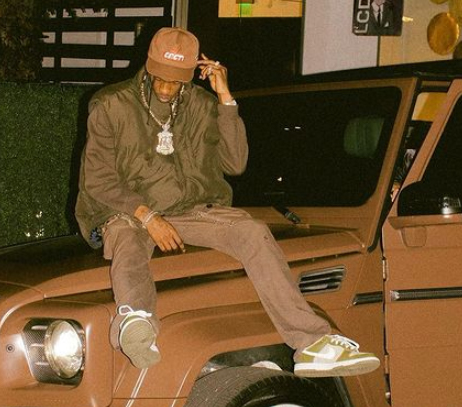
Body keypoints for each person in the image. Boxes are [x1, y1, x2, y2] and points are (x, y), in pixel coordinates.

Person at [75, 26, 380, 377]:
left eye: (175, 81)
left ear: (192, 74)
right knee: (127, 238)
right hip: (129, 211)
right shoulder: (111, 104)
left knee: (252, 231)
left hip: (190, 209)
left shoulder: (203, 106)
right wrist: (148, 217)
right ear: (148, 64)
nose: (166, 88)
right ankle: (136, 321)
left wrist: (225, 100)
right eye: (160, 77)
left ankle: (312, 343)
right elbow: (97, 179)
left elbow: (235, 163)